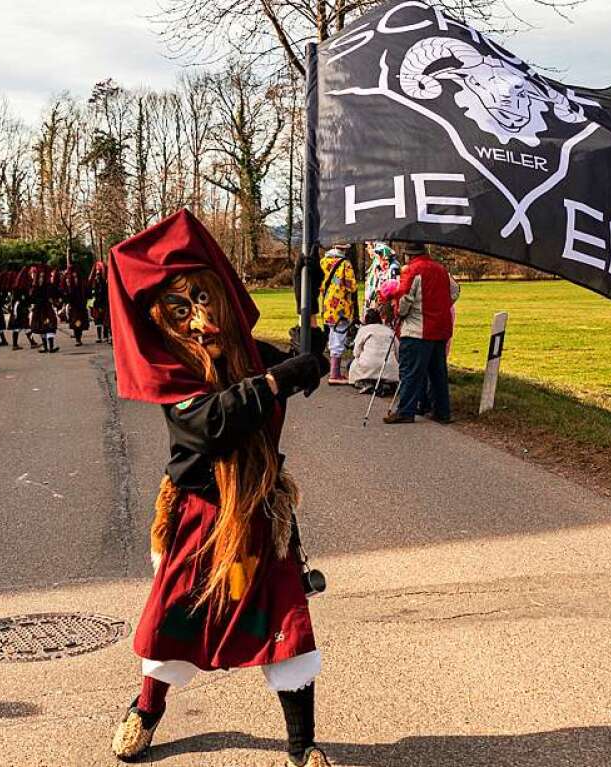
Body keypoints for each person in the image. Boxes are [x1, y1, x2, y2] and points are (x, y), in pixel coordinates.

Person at [108, 210, 332, 767]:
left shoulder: (247, 354)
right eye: (181, 310)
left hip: (260, 511)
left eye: (204, 301)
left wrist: (310, 352)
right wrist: (280, 379)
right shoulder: (174, 374)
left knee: (287, 623)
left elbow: (290, 371)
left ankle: (302, 748)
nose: (200, 321)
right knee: (171, 621)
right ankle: (145, 709)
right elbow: (212, 421)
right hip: (199, 515)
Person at [384, 243, 460, 425]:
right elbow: (455, 291)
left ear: (408, 255)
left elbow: (404, 299)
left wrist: (398, 313)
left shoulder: (412, 270)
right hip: (440, 328)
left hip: (418, 329)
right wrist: (441, 305)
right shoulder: (441, 269)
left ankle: (405, 411)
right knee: (437, 373)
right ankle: (442, 411)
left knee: (410, 371)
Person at [318, 246, 357, 386]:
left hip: (328, 305)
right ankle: (335, 374)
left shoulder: (323, 262)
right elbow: (351, 286)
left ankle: (334, 371)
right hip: (341, 307)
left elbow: (320, 284)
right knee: (339, 337)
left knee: (332, 336)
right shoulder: (346, 264)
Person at [348, 309, 399, 395]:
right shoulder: (389, 330)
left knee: (354, 364)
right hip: (389, 366)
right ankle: (386, 384)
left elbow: (356, 352)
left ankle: (366, 384)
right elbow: (398, 350)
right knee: (387, 370)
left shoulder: (364, 330)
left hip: (369, 365)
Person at [29, 264, 59, 353]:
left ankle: (50, 347)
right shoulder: (35, 286)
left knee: (49, 326)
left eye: (43, 276)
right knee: (41, 327)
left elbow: (54, 295)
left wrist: (54, 301)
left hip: (46, 309)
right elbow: (32, 297)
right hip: (39, 309)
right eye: (40, 276)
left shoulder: (48, 286)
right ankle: (46, 347)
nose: (41, 278)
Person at [363, 243, 401, 314]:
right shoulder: (378, 266)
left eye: (379, 256)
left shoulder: (393, 268)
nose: (378, 258)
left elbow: (394, 286)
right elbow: (375, 283)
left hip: (387, 301)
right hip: (378, 299)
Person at [8, 266, 38, 350]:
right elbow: (23, 297)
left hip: (20, 306)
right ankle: (18, 344)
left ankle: (31, 343)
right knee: (21, 325)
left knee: (23, 326)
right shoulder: (21, 286)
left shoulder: (22, 284)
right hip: (19, 307)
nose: (33, 275)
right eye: (32, 273)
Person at [60, 264, 90, 346]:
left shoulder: (82, 281)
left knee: (79, 322)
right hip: (73, 305)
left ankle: (78, 337)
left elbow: (86, 291)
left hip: (81, 304)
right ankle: (77, 338)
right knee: (75, 321)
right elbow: (64, 292)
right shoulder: (68, 280)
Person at [89, 260, 111, 344]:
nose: (97, 276)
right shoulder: (94, 283)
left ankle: (105, 336)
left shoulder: (104, 283)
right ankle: (99, 337)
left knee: (105, 320)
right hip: (96, 304)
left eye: (98, 274)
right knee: (98, 320)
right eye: (96, 274)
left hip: (104, 303)